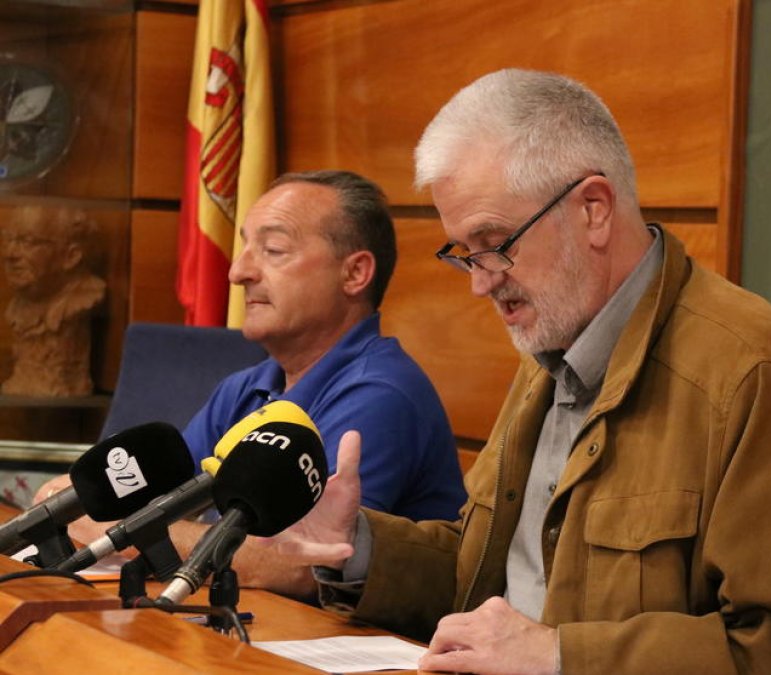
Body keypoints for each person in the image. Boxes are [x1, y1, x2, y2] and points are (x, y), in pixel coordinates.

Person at [282, 69, 771, 674]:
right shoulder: (550, 343)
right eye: (464, 253)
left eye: (494, 242)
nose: (481, 282)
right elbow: (487, 572)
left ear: (593, 209)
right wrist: (357, 546)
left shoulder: (749, 373)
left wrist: (560, 655)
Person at [38, 170, 466, 596]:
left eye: (273, 249)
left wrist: (115, 526)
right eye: (244, 247)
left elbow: (299, 563)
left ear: (354, 274)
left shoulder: (380, 395)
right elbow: (163, 496)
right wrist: (92, 504)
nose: (238, 272)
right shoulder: (247, 386)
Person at [2, 204, 105, 396]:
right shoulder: (22, 300)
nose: (10, 254)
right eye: (9, 239)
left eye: (28, 242)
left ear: (71, 256)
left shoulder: (85, 298)